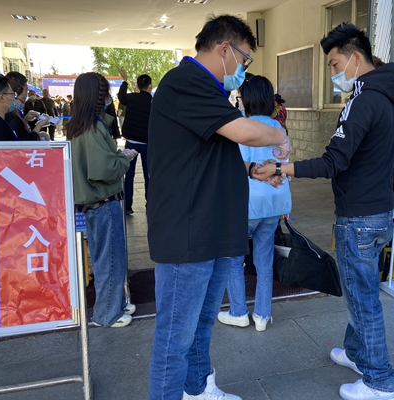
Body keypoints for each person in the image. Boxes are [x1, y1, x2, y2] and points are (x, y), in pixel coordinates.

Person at [253, 22, 394, 400]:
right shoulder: (391, 97)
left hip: (359, 218)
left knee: (363, 299)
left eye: (335, 64)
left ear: (355, 58)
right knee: (360, 290)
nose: (334, 73)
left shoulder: (363, 100)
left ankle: (379, 381)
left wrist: (282, 169)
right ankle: (356, 353)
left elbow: (332, 162)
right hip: (380, 211)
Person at [147, 14, 291, 400]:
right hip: (188, 234)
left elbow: (205, 155)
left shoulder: (209, 91)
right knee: (175, 339)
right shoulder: (185, 82)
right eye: (244, 59)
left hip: (212, 229)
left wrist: (254, 171)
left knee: (200, 327)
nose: (243, 69)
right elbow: (244, 132)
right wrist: (279, 135)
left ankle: (197, 389)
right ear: (224, 48)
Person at [217, 75, 292, 332]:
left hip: (246, 204)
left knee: (233, 259)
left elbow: (235, 167)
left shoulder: (242, 127)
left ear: (246, 99)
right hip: (274, 203)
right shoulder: (278, 128)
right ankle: (262, 315)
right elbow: (283, 166)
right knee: (264, 260)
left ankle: (239, 312)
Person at [66, 72, 138, 328]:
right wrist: (124, 158)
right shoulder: (93, 128)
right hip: (103, 203)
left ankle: (113, 304)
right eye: (105, 92)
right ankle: (107, 313)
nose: (109, 96)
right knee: (110, 260)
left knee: (106, 259)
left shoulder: (80, 125)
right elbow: (104, 169)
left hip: (94, 203)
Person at [118, 69, 153, 215]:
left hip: (131, 141)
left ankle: (128, 206)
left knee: (129, 174)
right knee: (148, 174)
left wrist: (125, 81)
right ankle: (150, 205)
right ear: (150, 86)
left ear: (137, 86)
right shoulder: (153, 101)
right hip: (146, 143)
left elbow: (121, 97)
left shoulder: (131, 98)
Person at [5, 71, 49, 141]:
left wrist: (26, 120)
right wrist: (40, 125)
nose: (23, 101)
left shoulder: (16, 112)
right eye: (26, 90)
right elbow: (28, 142)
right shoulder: (9, 117)